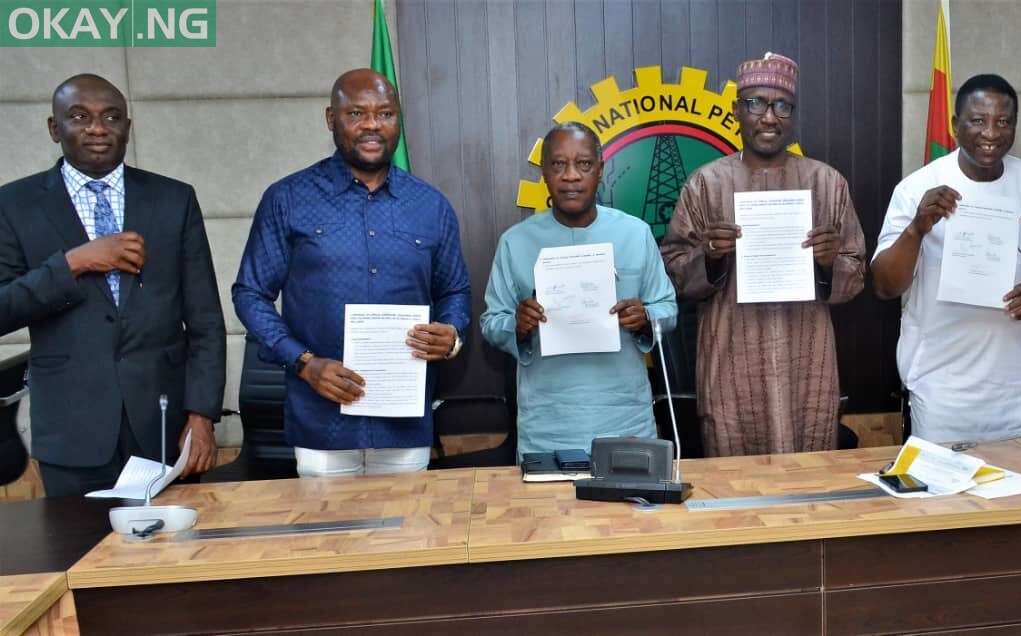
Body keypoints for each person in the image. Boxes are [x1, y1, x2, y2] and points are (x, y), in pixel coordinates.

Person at [233, 69, 470, 478]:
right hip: (322, 423)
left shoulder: (431, 205)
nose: (372, 125)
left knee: (408, 539)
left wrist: (451, 333)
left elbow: (455, 292)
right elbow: (250, 293)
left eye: (385, 113)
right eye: (356, 113)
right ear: (331, 119)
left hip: (405, 425)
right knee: (328, 540)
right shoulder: (288, 199)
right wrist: (305, 363)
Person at [0, 74, 226, 496]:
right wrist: (71, 264)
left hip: (164, 428)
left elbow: (206, 322)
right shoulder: (14, 204)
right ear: (54, 128)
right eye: (79, 117)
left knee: (173, 556)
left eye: (111, 117)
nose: (97, 128)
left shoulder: (173, 199)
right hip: (72, 431)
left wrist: (202, 416)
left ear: (127, 126)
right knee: (80, 556)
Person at [661, 53, 865, 457]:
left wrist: (828, 263)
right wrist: (712, 256)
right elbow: (674, 271)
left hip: (807, 363)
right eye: (756, 103)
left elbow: (856, 271)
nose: (768, 117)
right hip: (730, 364)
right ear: (737, 110)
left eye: (781, 106)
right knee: (735, 489)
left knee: (810, 486)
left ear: (793, 114)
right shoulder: (706, 184)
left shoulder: (827, 183)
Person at [871, 74, 1021, 443]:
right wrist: (917, 229)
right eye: (978, 121)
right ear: (955, 126)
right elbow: (886, 286)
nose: (991, 133)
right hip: (942, 391)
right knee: (942, 499)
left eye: (1003, 122)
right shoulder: (917, 188)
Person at [480, 122, 677, 456]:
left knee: (627, 509)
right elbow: (491, 322)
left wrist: (644, 317)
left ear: (600, 170)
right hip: (549, 424)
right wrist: (517, 325)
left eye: (583, 165)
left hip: (624, 417)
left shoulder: (635, 233)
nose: (571, 176)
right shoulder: (516, 242)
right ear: (544, 172)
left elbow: (667, 309)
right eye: (558, 165)